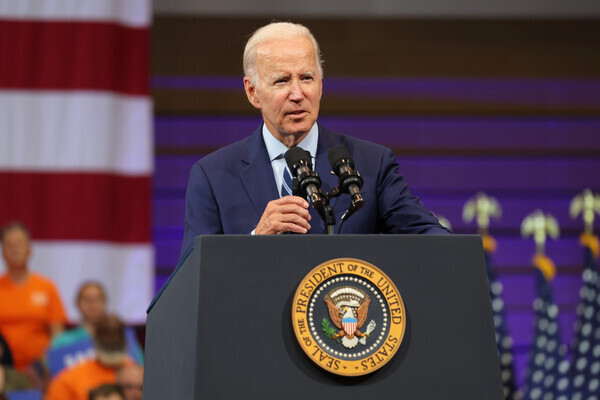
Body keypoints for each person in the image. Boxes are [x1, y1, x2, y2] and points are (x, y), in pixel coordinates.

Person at [180, 21, 449, 256]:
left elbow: (429, 236)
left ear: (321, 84)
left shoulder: (371, 163)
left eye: (307, 78)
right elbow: (192, 279)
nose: (297, 94)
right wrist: (255, 242)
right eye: (282, 81)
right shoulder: (213, 176)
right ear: (252, 92)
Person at [0, 222, 67, 371]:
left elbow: (58, 333)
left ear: (30, 249)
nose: (14, 249)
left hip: (39, 370)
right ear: (3, 251)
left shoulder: (46, 286)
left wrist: (46, 362)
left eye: (19, 243)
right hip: (3, 369)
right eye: (8, 244)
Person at [48, 282, 144, 372]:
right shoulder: (62, 341)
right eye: (86, 299)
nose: (92, 304)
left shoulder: (121, 337)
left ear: (105, 302)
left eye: (97, 299)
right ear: (77, 303)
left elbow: (139, 368)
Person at [45, 315, 135, 400]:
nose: (112, 339)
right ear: (95, 339)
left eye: (117, 333)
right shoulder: (68, 380)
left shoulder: (138, 375)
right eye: (105, 333)